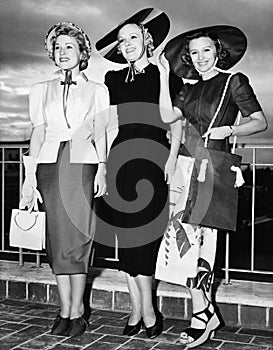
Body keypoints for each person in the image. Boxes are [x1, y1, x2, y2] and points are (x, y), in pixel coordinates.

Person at [155, 25, 267, 348]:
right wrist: (165, 76)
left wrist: (230, 128)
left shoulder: (234, 82)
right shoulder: (186, 89)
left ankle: (201, 314)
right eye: (193, 53)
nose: (200, 58)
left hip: (214, 170)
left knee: (205, 243)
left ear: (218, 52)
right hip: (186, 169)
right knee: (182, 243)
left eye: (206, 50)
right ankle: (205, 311)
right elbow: (168, 118)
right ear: (188, 58)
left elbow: (259, 121)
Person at [93, 8, 182, 338]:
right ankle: (138, 310)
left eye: (133, 37)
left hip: (154, 158)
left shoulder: (168, 76)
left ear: (147, 39)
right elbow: (108, 122)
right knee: (127, 238)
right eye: (121, 40)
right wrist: (102, 164)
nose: (126, 43)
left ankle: (147, 309)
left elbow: (171, 120)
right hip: (121, 160)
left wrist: (171, 159)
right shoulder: (113, 79)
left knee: (146, 237)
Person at [19, 22, 109, 337]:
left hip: (83, 160)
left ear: (82, 52)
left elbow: (101, 132)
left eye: (69, 46)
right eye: (58, 47)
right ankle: (64, 308)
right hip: (49, 162)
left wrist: (103, 167)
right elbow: (38, 132)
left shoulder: (97, 89)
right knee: (58, 236)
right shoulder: (40, 89)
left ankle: (79, 309)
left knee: (80, 234)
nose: (62, 52)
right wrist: (29, 177)